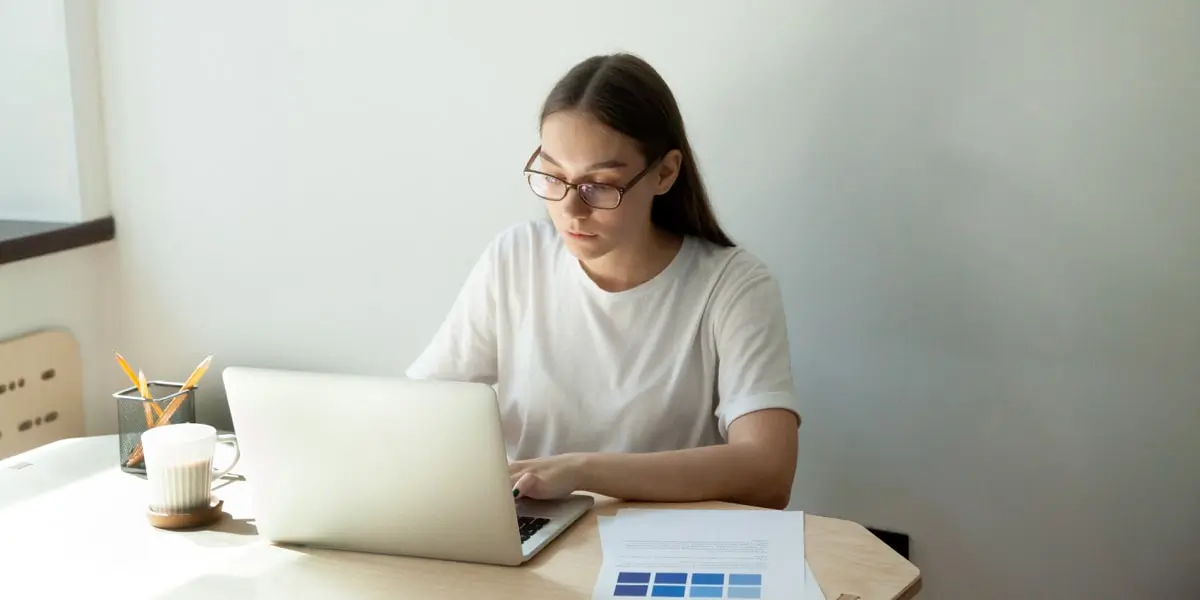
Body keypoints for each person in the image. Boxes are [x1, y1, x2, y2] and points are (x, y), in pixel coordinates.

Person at [406, 53, 801, 510]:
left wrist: (581, 471)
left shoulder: (732, 286)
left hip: (667, 549)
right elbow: (423, 410)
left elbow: (769, 472)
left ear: (665, 173)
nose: (571, 210)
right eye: (553, 176)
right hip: (531, 537)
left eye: (599, 186)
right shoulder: (515, 257)